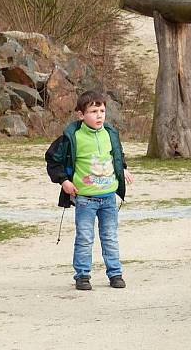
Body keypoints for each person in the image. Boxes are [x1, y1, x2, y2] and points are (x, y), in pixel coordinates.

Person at [45, 90, 134, 291]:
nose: (99, 115)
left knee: (110, 236)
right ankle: (83, 276)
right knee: (85, 238)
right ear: (80, 114)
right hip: (85, 198)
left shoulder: (110, 134)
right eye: (93, 111)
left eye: (102, 111)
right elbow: (53, 159)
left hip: (108, 197)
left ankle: (115, 274)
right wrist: (63, 181)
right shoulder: (71, 137)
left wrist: (124, 168)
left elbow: (117, 155)